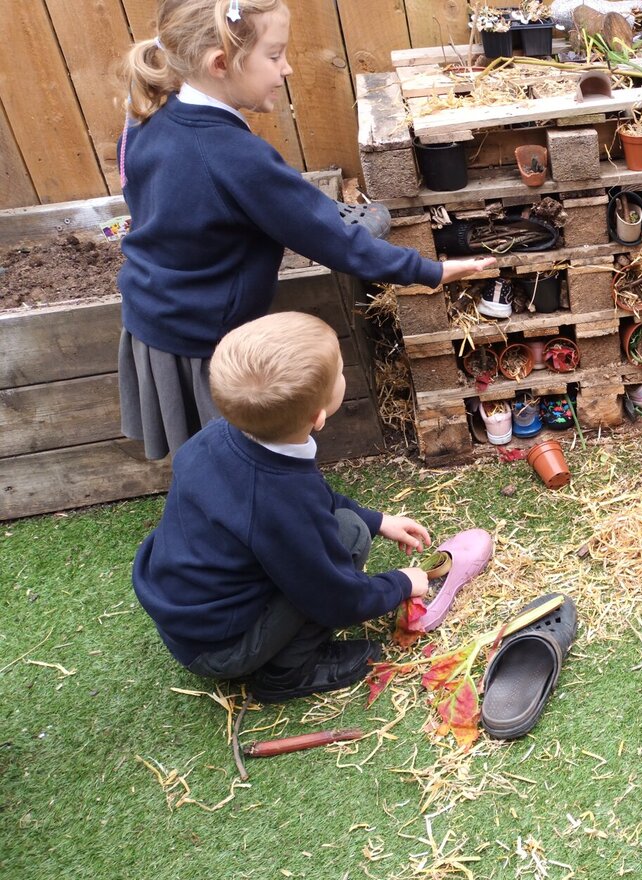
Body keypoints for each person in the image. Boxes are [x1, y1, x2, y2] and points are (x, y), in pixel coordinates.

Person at [117, 0, 492, 459]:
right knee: (239, 465)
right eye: (274, 56)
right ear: (220, 64)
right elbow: (330, 241)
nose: (288, 67)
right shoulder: (236, 156)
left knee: (201, 458)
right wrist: (430, 271)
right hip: (206, 337)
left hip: (152, 313)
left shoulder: (149, 118)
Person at [132, 313, 432, 702]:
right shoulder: (279, 498)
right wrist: (401, 584)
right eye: (341, 372)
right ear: (319, 417)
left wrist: (379, 520)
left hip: (187, 618)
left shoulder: (215, 437)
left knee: (352, 525)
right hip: (220, 649)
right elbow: (336, 597)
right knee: (349, 536)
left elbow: (309, 499)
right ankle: (290, 673)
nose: (344, 375)